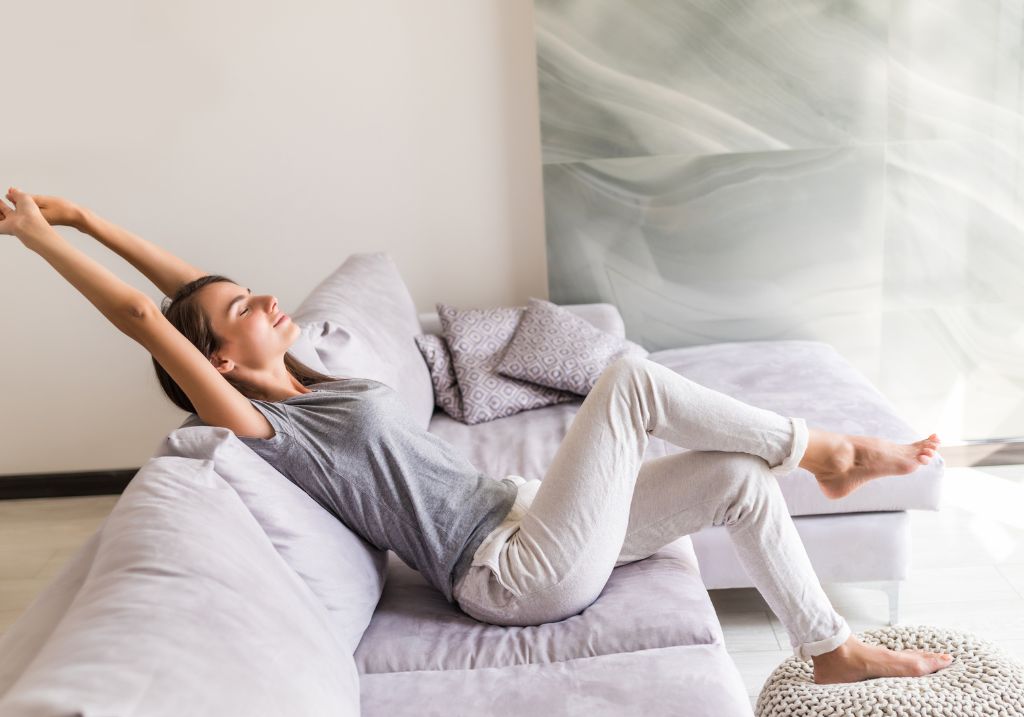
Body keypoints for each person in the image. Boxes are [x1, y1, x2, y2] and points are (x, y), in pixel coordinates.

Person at [0, 186, 953, 685]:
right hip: (509, 576)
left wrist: (87, 214)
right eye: (245, 307)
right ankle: (827, 450)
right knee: (625, 382)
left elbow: (185, 286)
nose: (267, 296)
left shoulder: (308, 374)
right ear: (219, 364)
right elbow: (144, 315)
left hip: (532, 524)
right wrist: (44, 241)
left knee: (738, 482)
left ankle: (826, 646)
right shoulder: (267, 423)